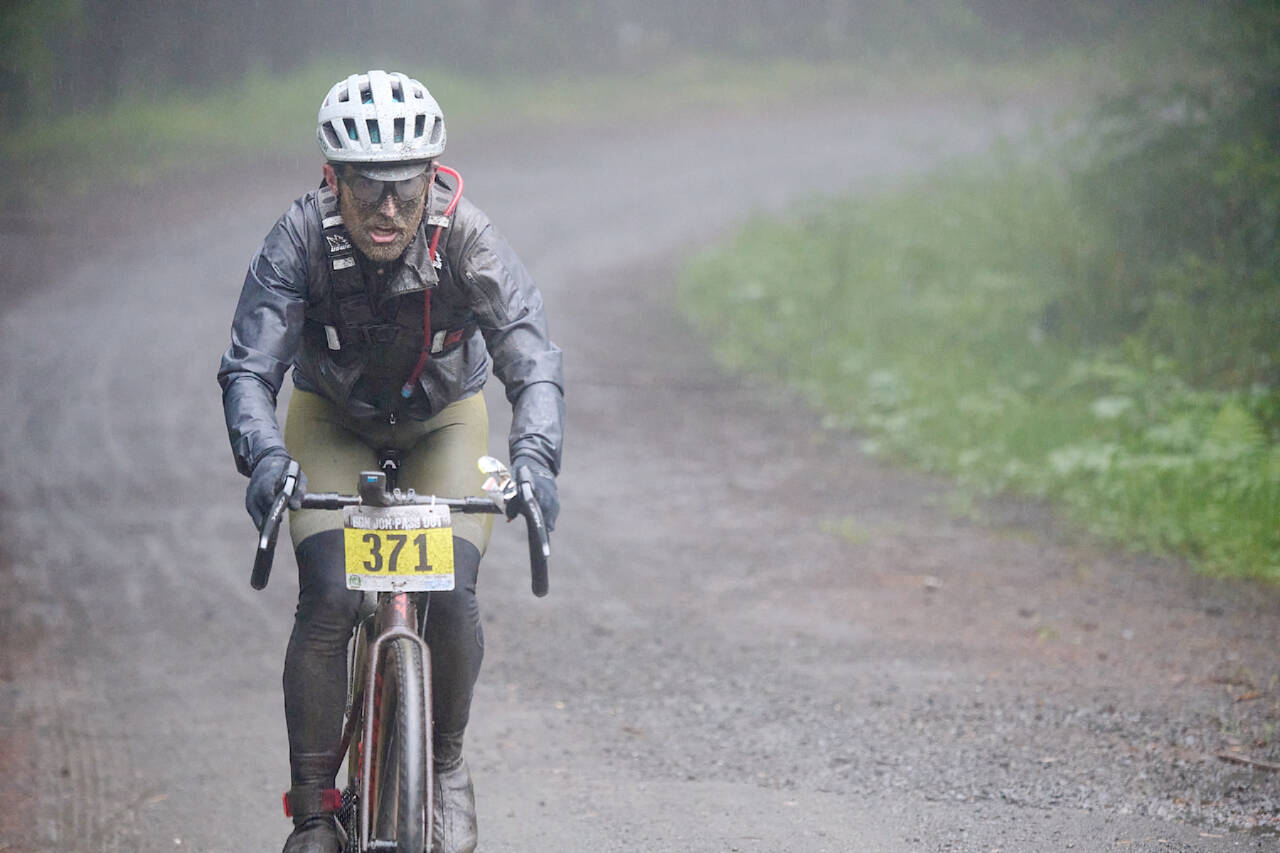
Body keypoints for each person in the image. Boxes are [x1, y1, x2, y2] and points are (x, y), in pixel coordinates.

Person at [217, 70, 564, 853]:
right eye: (366, 187)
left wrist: (536, 459)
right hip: (332, 420)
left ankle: (442, 765)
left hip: (443, 421)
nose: (386, 209)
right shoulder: (298, 238)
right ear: (331, 178)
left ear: (432, 179)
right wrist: (266, 456)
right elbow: (249, 369)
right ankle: (313, 811)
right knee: (333, 594)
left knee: (454, 594)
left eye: (404, 189)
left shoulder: (468, 236)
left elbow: (531, 357)